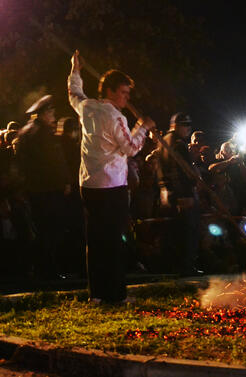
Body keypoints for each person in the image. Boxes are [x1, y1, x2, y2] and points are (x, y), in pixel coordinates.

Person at [68, 50, 156, 303]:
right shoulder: (115, 116)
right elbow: (130, 148)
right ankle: (115, 294)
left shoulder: (87, 108)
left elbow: (74, 93)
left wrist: (75, 70)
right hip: (111, 187)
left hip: (89, 184)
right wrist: (144, 128)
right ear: (110, 91)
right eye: (124, 92)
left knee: (96, 241)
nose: (127, 98)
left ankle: (97, 294)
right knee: (114, 242)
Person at [16, 94, 71, 279]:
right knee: (52, 228)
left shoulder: (25, 132)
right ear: (43, 113)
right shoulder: (45, 134)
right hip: (49, 188)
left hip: (34, 188)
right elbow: (55, 161)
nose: (53, 114)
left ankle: (40, 269)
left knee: (41, 229)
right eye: (51, 111)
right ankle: (48, 271)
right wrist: (64, 181)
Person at [158, 112, 201, 275]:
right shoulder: (177, 144)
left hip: (169, 194)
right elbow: (178, 172)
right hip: (182, 195)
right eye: (185, 125)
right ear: (177, 125)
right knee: (188, 231)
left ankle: (178, 266)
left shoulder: (164, 141)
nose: (188, 129)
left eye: (189, 125)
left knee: (176, 232)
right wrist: (186, 194)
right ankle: (186, 267)